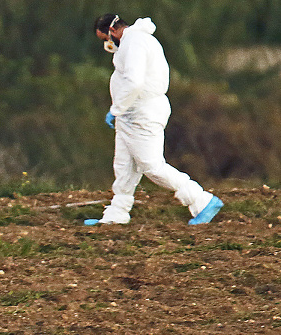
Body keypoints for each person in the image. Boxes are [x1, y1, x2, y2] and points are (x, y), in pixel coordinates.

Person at [86, 14, 223, 226]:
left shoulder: (136, 42)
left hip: (143, 113)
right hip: (130, 115)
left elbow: (134, 82)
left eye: (105, 38)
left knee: (152, 166)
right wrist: (120, 110)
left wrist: (116, 108)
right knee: (124, 165)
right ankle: (116, 214)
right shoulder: (134, 42)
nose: (107, 43)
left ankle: (201, 200)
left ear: (112, 31)